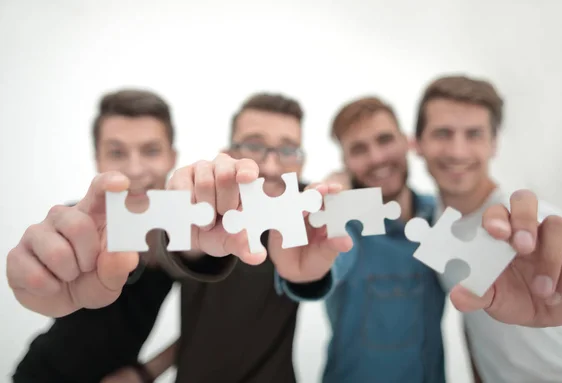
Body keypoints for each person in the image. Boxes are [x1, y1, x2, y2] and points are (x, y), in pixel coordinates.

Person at [9, 90, 351, 383]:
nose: (134, 167)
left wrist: (342, 184)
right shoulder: (192, 209)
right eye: (255, 146)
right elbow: (177, 249)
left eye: (288, 149)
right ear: (228, 152)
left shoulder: (306, 213)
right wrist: (35, 272)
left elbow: (334, 255)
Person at [274, 93, 562, 382]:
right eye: (358, 149)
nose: (376, 157)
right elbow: (326, 264)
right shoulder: (345, 225)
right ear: (345, 162)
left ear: (407, 143)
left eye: (385, 140)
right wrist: (306, 271)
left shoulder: (439, 216)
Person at [412, 75, 562, 382]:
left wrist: (538, 245)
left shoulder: (519, 221)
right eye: (443, 133)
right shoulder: (432, 219)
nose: (458, 151)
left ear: (494, 144)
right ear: (417, 143)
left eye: (474, 134)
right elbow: (473, 322)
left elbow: (541, 229)